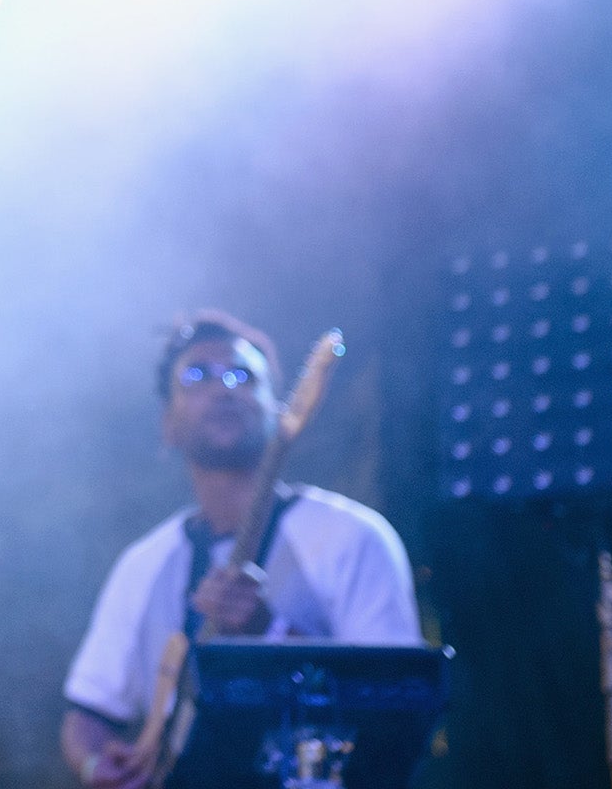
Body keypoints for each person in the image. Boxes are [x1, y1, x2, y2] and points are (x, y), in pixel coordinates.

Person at [59, 311, 421, 788]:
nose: (222, 388)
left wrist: (269, 632)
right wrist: (94, 765)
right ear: (167, 424)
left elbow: (398, 704)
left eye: (242, 376)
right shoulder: (144, 564)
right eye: (196, 376)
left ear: (278, 410)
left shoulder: (353, 538)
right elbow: (87, 713)